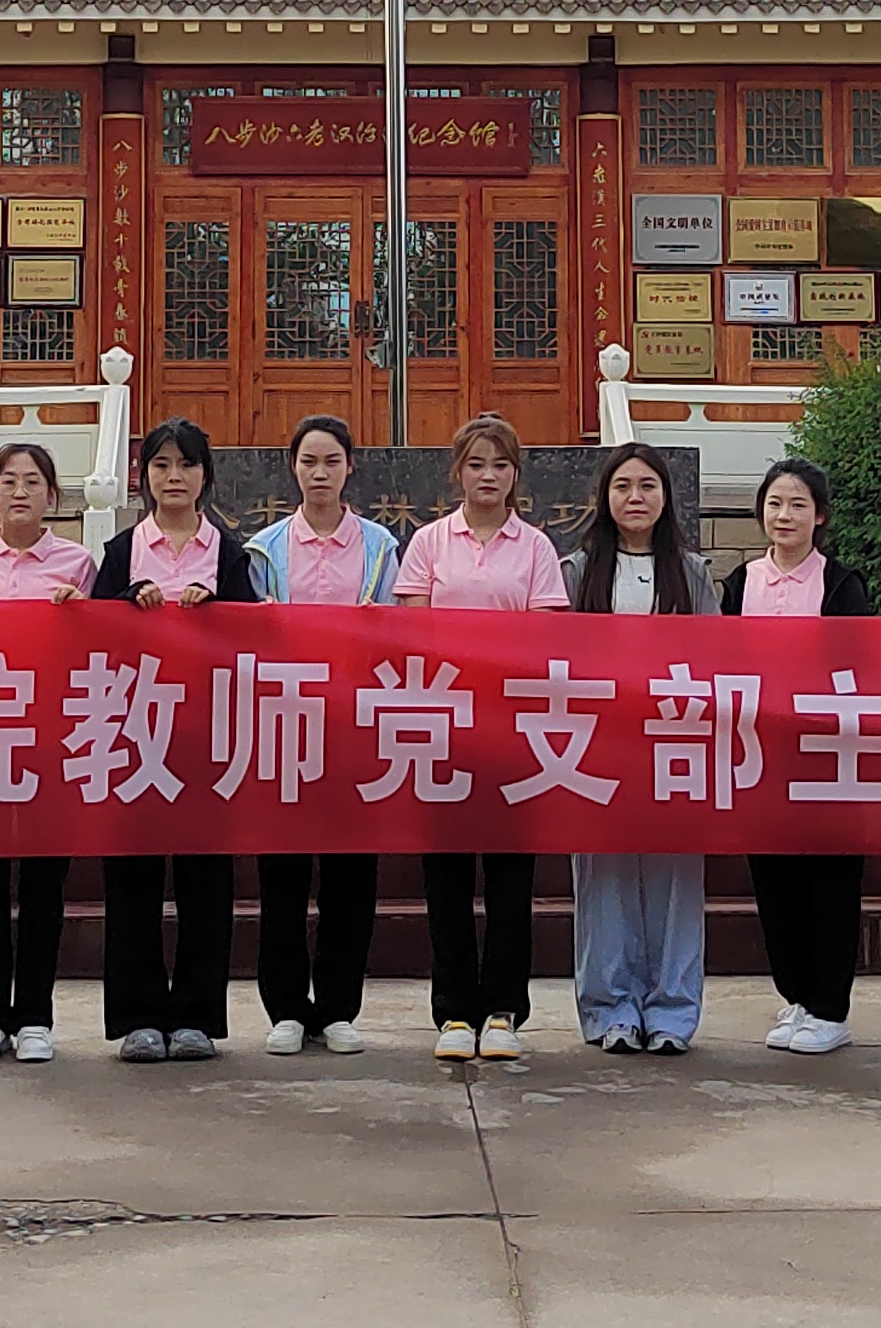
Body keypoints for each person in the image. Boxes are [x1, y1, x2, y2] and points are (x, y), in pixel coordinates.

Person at [393, 413, 571, 1064]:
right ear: (457, 472)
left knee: (509, 878)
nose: (487, 476)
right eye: (476, 464)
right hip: (442, 728)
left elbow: (543, 636)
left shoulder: (536, 548)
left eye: (499, 465)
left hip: (512, 730)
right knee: (445, 876)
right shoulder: (429, 543)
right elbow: (414, 633)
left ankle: (502, 1010)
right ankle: (452, 1012)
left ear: (515, 475)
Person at [88, 419, 261, 1061]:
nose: (174, 477)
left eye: (186, 465)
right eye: (161, 465)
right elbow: (91, 637)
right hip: (131, 732)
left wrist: (216, 611)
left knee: (205, 880)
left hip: (206, 738)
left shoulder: (229, 554)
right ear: (145, 477)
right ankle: (137, 1015)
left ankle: (195, 1016)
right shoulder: (121, 551)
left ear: (205, 476)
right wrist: (126, 602)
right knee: (130, 878)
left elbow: (255, 637)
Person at [246, 415, 398, 1056]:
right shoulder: (263, 550)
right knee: (282, 873)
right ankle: (285, 1007)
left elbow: (400, 632)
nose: (319, 473)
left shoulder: (382, 546)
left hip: (355, 725)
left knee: (350, 874)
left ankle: (337, 1007)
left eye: (331, 461)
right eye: (309, 461)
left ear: (350, 467)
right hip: (285, 723)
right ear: (293, 468)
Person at [0, 440, 94, 1064]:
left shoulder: (78, 563)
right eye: (8, 481)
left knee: (41, 885)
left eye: (33, 481)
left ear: (53, 496)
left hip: (51, 741)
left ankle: (34, 1014)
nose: (20, 492)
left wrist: (80, 615)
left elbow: (95, 650)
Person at [723, 456, 878, 1055]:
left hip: (827, 753)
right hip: (761, 752)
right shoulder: (740, 583)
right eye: (774, 503)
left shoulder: (841, 584)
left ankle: (830, 1006)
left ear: (820, 516)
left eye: (797, 505)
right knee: (774, 879)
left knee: (831, 879)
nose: (784, 515)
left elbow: (858, 665)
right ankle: (796, 995)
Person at [570, 442, 713, 1055]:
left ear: (665, 497)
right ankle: (611, 1010)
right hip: (596, 746)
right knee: (603, 880)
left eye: (648, 486)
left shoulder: (693, 572)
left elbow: (718, 659)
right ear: (604, 497)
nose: (635, 497)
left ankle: (673, 1012)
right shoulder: (577, 571)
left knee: (675, 880)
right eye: (623, 486)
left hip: (674, 742)